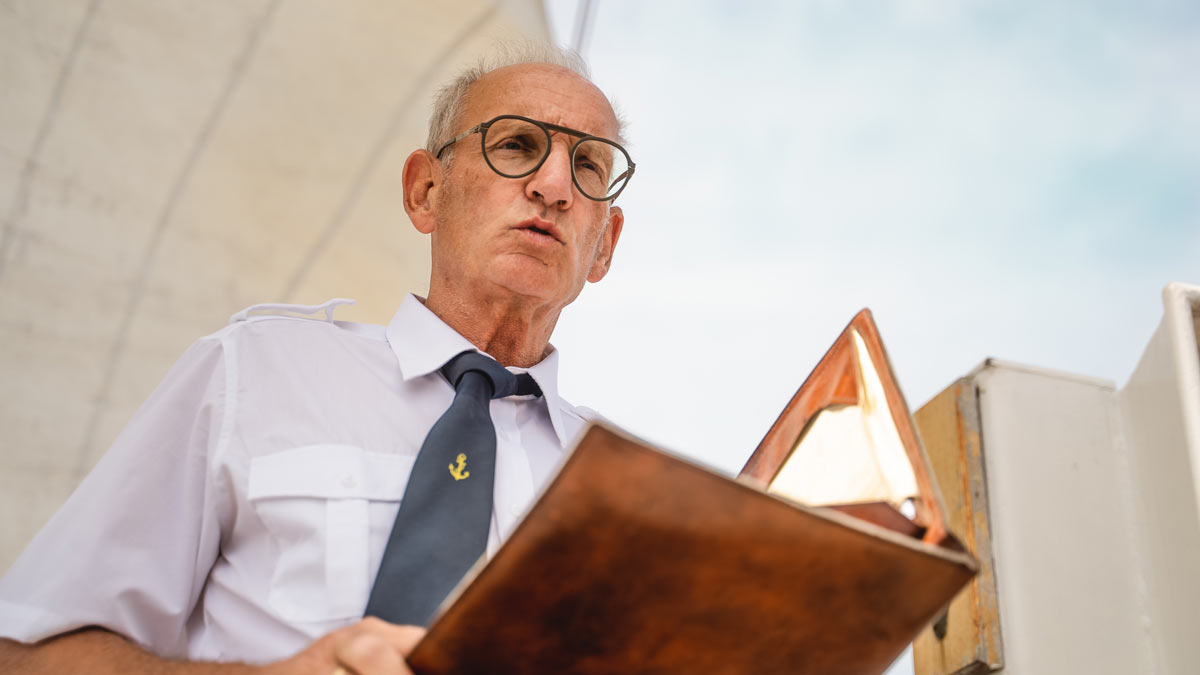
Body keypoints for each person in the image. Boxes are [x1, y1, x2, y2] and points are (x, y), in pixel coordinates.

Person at [0, 42, 631, 675]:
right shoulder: (251, 372)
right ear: (425, 192)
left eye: (588, 166)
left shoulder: (629, 492)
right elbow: (24, 653)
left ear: (604, 245)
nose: (553, 186)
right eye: (517, 144)